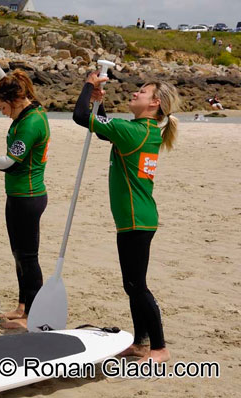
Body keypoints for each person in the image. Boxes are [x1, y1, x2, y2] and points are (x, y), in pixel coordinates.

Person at [73, 72, 180, 364]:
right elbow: (104, 130)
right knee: (132, 284)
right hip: (137, 218)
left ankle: (159, 348)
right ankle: (140, 342)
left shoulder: (133, 132)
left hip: (136, 219)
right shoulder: (142, 130)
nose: (135, 94)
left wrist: (88, 86)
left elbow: (80, 116)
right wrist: (100, 105)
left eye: (142, 92)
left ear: (154, 103)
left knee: (137, 285)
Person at [0, 55, 50, 329]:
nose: (1, 111)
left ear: (15, 101)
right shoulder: (28, 105)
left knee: (28, 258)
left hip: (27, 198)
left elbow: (7, 163)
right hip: (17, 197)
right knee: (19, 254)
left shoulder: (30, 124)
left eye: (1, 107)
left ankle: (34, 314)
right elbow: (5, 81)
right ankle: (22, 306)